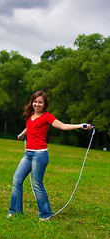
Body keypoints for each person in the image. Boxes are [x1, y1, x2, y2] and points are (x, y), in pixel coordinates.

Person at [7, 90, 93, 221]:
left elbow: (63, 126)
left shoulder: (47, 116)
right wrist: (21, 135)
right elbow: (29, 127)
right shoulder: (31, 115)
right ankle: (15, 212)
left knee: (37, 185)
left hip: (39, 155)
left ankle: (46, 214)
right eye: (35, 102)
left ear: (44, 104)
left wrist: (81, 125)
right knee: (17, 180)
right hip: (28, 154)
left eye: (40, 102)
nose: (37, 104)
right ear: (32, 102)